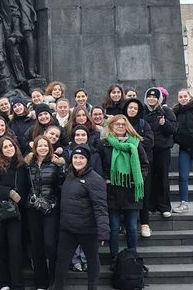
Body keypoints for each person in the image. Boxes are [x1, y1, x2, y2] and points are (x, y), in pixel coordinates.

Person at [54, 145, 109, 290]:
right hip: (67, 228)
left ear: (88, 160)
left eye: (82, 158)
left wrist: (103, 231)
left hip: (87, 229)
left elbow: (100, 207)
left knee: (92, 260)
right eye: (75, 157)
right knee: (62, 261)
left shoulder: (95, 179)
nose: (78, 160)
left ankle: (92, 287)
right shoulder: (69, 175)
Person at [98, 115, 148, 263]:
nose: (120, 126)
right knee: (113, 228)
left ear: (127, 127)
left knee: (132, 228)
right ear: (111, 126)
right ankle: (114, 258)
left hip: (131, 191)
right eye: (117, 124)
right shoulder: (104, 144)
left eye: (123, 124)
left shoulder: (135, 143)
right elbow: (98, 165)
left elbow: (144, 164)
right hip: (112, 191)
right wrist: (105, 178)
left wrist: (138, 179)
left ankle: (132, 257)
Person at [0, 136, 27, 290]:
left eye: (11, 146)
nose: (9, 148)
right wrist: (8, 192)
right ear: (0, 151)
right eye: (5, 147)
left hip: (16, 213)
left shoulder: (22, 166)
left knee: (15, 247)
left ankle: (17, 283)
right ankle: (3, 283)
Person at [25, 136, 63, 290]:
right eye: (39, 145)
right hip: (32, 209)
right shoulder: (28, 164)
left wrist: (54, 203)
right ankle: (41, 282)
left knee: (50, 244)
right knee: (37, 245)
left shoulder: (55, 165)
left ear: (49, 148)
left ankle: (54, 280)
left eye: (45, 146)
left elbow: (60, 187)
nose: (42, 148)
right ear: (35, 148)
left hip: (50, 209)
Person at [122, 98, 154, 238]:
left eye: (135, 108)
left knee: (143, 194)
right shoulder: (121, 123)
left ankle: (144, 224)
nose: (132, 110)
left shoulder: (143, 124)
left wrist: (132, 140)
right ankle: (126, 224)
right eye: (130, 107)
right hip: (123, 165)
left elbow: (150, 141)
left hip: (141, 163)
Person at [143, 87, 177, 219]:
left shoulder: (166, 111)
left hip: (162, 149)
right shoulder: (143, 111)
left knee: (162, 178)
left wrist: (165, 123)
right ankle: (151, 205)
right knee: (149, 178)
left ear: (159, 99)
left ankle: (164, 207)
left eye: (155, 97)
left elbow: (174, 129)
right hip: (147, 150)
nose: (152, 99)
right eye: (149, 97)